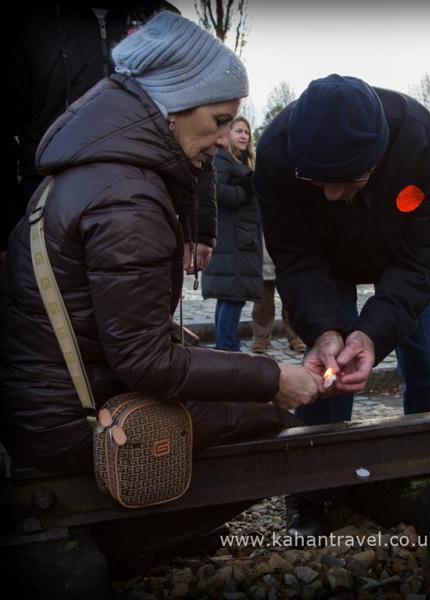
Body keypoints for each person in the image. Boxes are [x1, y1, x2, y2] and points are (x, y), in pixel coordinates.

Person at [0, 12, 322, 475]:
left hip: (40, 406)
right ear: (173, 105)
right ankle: (159, 528)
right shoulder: (128, 198)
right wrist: (273, 379)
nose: (221, 140)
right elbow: (146, 364)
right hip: (70, 423)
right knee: (269, 418)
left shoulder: (96, 169)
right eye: (218, 120)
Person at [254, 74, 430, 536]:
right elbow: (296, 258)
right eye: (316, 180)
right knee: (326, 370)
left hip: (402, 256)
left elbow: (424, 257)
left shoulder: (422, 143)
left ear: (378, 158)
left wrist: (373, 333)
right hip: (326, 262)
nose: (330, 195)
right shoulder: (277, 153)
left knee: (425, 361)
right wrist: (325, 328)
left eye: (348, 180)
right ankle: (311, 492)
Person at [0, 2, 213, 278]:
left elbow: (196, 126)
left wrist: (198, 225)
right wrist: (4, 232)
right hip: (47, 227)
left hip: (144, 221)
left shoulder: (164, 21)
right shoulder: (26, 22)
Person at [201, 116, 263, 351]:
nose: (243, 136)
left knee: (229, 296)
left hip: (241, 238)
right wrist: (244, 190)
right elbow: (217, 192)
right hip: (233, 240)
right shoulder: (222, 159)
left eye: (247, 132)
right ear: (227, 134)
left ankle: (226, 346)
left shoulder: (243, 163)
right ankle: (228, 348)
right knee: (232, 297)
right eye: (238, 131)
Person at [251, 240, 306, 354]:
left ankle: (296, 335)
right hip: (263, 246)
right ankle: (261, 337)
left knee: (292, 295)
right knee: (263, 298)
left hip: (289, 247)